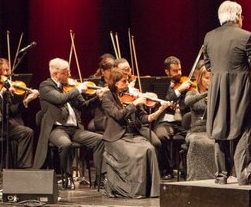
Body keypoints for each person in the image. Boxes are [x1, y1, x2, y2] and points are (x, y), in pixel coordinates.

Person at [203, 0, 251, 184]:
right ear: (237, 16)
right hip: (239, 88)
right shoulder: (246, 36)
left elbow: (208, 66)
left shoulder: (209, 36)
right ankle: (243, 175)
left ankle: (221, 176)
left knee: (219, 129)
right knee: (242, 129)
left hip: (217, 89)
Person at [34, 58, 104, 190]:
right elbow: (59, 99)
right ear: (56, 74)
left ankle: (100, 179)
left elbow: (84, 106)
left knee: (99, 140)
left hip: (74, 130)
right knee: (65, 144)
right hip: (56, 129)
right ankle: (68, 177)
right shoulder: (45, 86)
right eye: (66, 72)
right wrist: (77, 90)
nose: (70, 75)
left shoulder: (70, 87)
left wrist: (98, 97)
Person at [99, 68, 167, 198]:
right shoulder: (107, 97)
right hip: (116, 137)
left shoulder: (131, 96)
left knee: (149, 149)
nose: (127, 84)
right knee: (137, 154)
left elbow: (144, 118)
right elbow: (118, 115)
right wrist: (135, 104)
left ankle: (151, 190)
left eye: (127, 81)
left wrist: (160, 110)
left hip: (133, 135)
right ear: (115, 83)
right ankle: (135, 190)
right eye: (124, 81)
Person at [182, 68, 215, 180]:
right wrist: (205, 94)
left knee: (218, 143)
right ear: (200, 78)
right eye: (207, 78)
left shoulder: (216, 94)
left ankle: (215, 177)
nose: (210, 81)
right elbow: (188, 102)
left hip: (211, 130)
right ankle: (195, 178)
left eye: (212, 78)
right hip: (195, 132)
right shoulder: (192, 93)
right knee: (198, 142)